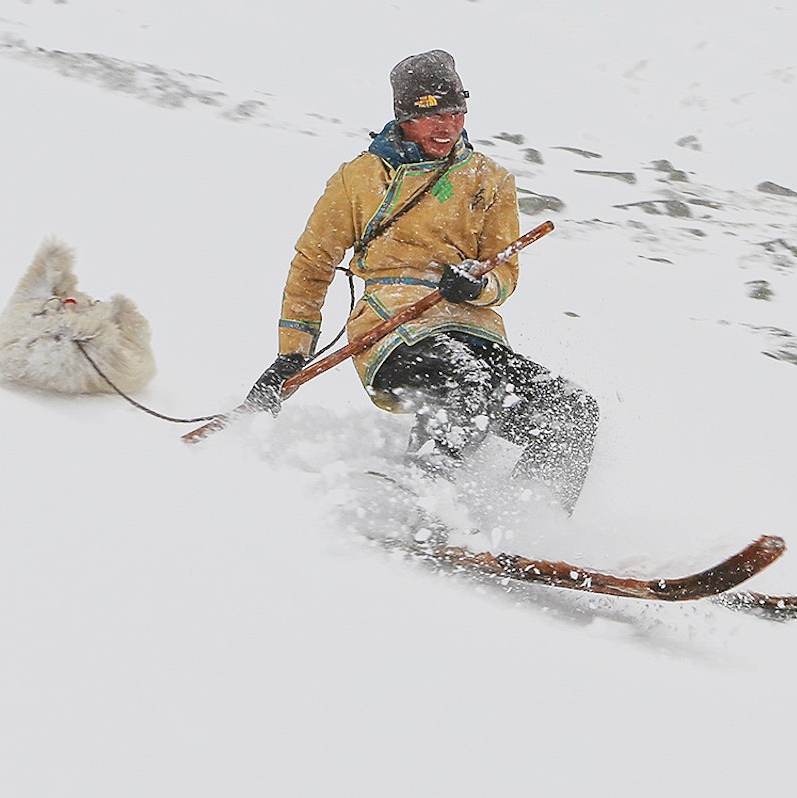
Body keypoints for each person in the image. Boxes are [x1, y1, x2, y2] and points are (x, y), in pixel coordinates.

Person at [245, 50, 598, 514]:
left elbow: (504, 273)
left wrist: (477, 288)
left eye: (454, 113)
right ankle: (415, 501)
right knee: (464, 385)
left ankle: (529, 521)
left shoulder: (490, 180)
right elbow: (313, 262)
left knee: (572, 411)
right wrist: (292, 352)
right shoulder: (360, 178)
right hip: (393, 329)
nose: (445, 127)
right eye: (430, 114)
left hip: (472, 329)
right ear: (404, 117)